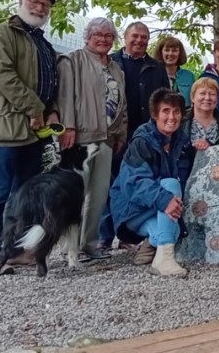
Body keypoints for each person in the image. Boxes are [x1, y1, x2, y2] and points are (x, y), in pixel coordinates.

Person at [0, 0, 60, 275]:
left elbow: (51, 82)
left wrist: (52, 111)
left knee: (24, 194)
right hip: (7, 127)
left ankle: (15, 250)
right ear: (21, 3)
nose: (39, 9)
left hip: (34, 132)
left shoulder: (43, 43)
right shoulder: (3, 34)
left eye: (45, 6)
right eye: (35, 3)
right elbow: (1, 77)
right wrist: (34, 107)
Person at [57, 17, 128, 261]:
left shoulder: (116, 68)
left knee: (98, 195)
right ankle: (70, 246)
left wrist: (120, 133)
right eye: (98, 34)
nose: (103, 39)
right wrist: (68, 127)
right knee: (76, 194)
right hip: (80, 139)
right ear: (87, 36)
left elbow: (121, 104)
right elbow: (65, 96)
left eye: (108, 36)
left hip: (107, 138)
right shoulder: (73, 60)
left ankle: (88, 243)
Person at [110, 89, 190, 277]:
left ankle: (154, 246)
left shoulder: (181, 141)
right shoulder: (142, 141)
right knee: (170, 185)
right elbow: (134, 182)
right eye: (166, 111)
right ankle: (165, 259)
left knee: (173, 230)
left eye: (176, 111)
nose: (172, 117)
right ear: (155, 114)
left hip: (154, 209)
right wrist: (165, 199)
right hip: (130, 209)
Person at [103, 21, 168, 249]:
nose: (139, 40)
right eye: (135, 36)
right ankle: (105, 236)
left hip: (148, 134)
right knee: (112, 184)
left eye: (144, 37)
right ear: (125, 37)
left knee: (142, 182)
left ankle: (130, 235)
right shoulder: (111, 63)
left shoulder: (156, 67)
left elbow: (164, 99)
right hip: (118, 132)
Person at [153, 36, 195, 107]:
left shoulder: (189, 76)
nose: (170, 53)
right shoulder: (153, 75)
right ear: (161, 52)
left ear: (180, 53)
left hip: (186, 116)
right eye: (167, 50)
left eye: (174, 50)